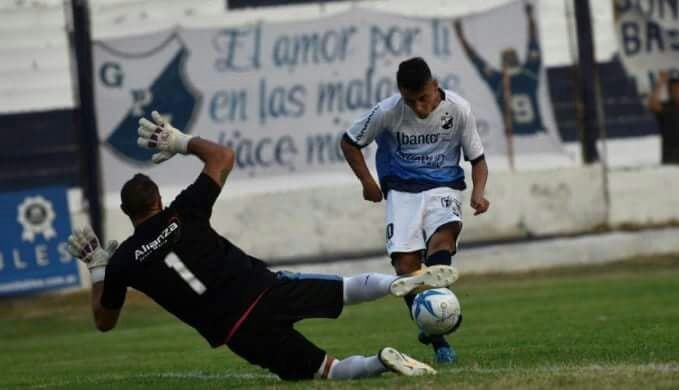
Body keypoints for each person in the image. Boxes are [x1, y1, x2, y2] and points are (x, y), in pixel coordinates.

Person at [65, 111, 462, 381]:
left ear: (124, 211)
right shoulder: (183, 212)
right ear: (158, 200)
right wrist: (181, 141)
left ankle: (380, 362)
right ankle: (400, 282)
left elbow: (104, 322)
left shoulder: (124, 263)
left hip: (236, 328)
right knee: (345, 289)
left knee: (328, 371)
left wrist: (99, 268)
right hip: (264, 288)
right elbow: (223, 157)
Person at [340, 57, 490, 364]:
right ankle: (438, 337)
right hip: (402, 194)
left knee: (443, 239)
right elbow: (349, 142)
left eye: (423, 98)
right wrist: (368, 182)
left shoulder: (459, 109)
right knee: (406, 268)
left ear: (435, 87)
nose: (419, 107)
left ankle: (436, 308)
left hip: (444, 188)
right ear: (401, 94)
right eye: (411, 101)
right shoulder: (388, 111)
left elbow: (477, 159)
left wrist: (478, 193)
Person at [454, 2, 545, 136]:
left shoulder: (498, 81)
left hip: (512, 133)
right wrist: (530, 17)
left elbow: (475, 60)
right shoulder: (529, 74)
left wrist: (460, 35)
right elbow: (533, 44)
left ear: (503, 64)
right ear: (518, 60)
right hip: (536, 129)